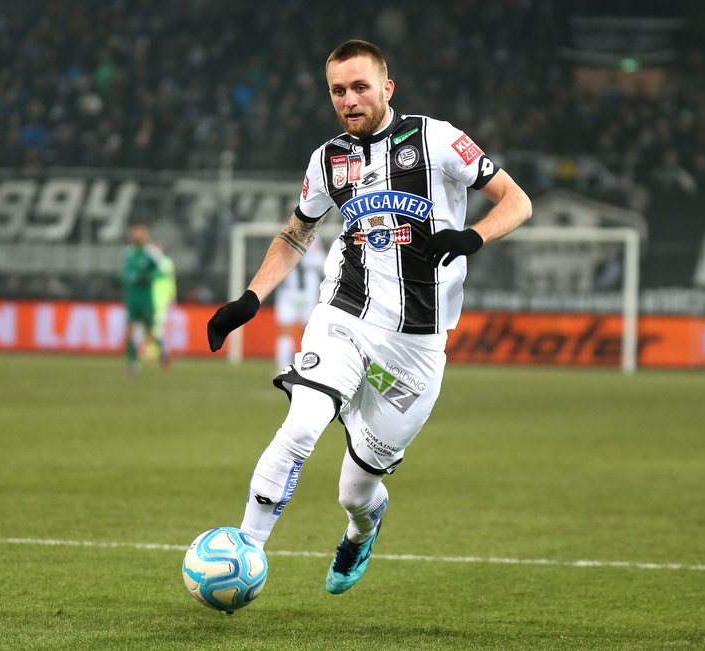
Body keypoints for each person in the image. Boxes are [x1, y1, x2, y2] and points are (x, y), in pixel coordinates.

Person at [206, 40, 531, 595]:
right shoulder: (328, 159)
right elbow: (296, 233)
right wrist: (250, 298)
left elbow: (516, 201)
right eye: (338, 90)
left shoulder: (437, 140)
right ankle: (245, 548)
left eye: (360, 87)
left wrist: (472, 235)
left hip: (418, 345)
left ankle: (362, 528)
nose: (349, 100)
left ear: (387, 88)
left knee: (356, 490)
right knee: (305, 419)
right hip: (346, 314)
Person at [122, 224, 169, 374]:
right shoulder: (128, 253)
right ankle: (133, 364)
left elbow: (162, 273)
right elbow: (124, 273)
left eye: (140, 233)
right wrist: (127, 276)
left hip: (146, 299)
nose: (136, 236)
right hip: (132, 299)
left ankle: (163, 353)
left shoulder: (151, 253)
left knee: (149, 333)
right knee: (129, 332)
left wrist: (146, 277)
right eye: (135, 233)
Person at [274, 236, 325, 371]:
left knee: (287, 331)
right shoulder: (314, 240)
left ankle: (284, 368)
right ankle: (311, 366)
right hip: (307, 292)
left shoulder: (284, 239)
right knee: (308, 331)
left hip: (290, 292)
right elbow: (322, 264)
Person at [150, 240, 177, 367]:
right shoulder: (149, 262)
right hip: (150, 300)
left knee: (159, 329)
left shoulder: (166, 262)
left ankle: (163, 355)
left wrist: (172, 297)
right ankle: (158, 353)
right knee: (153, 328)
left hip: (162, 301)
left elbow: (166, 278)